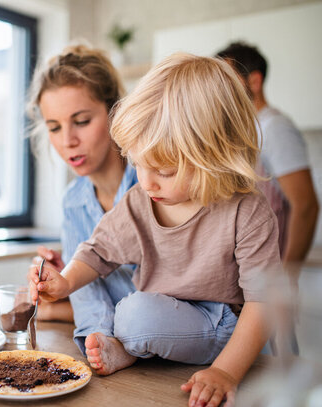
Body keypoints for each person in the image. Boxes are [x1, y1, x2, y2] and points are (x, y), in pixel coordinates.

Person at [29, 53, 283, 407]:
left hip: (223, 327)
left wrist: (225, 371)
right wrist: (67, 281)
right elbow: (97, 250)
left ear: (214, 154)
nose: (146, 182)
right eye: (138, 164)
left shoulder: (247, 211)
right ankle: (134, 350)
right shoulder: (141, 198)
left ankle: (137, 348)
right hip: (164, 322)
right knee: (135, 314)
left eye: (163, 171)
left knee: (134, 316)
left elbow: (263, 302)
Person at [26, 44, 138, 353]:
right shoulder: (73, 202)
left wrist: (59, 308)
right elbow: (94, 302)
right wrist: (63, 283)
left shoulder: (155, 183)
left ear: (115, 112)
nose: (67, 141)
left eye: (82, 121)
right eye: (54, 127)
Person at [216, 42, 319, 272]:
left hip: (268, 276)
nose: (221, 90)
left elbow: (306, 206)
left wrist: (287, 277)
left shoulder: (275, 128)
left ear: (254, 81)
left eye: (229, 81)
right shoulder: (246, 129)